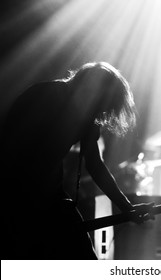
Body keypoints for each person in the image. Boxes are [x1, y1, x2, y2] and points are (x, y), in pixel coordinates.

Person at [0, 62, 153, 259]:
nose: (102, 114)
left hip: (47, 196)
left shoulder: (86, 117)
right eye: (103, 106)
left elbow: (95, 165)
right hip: (15, 193)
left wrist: (126, 207)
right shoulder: (45, 96)